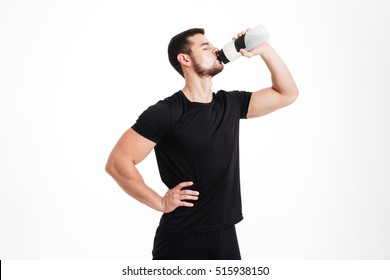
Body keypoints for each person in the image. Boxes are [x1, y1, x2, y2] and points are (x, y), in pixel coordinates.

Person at [105, 27, 298, 260]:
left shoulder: (230, 104)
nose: (216, 49)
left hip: (225, 234)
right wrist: (160, 202)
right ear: (185, 59)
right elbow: (118, 163)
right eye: (205, 47)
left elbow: (287, 93)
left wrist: (264, 50)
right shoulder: (166, 113)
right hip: (181, 240)